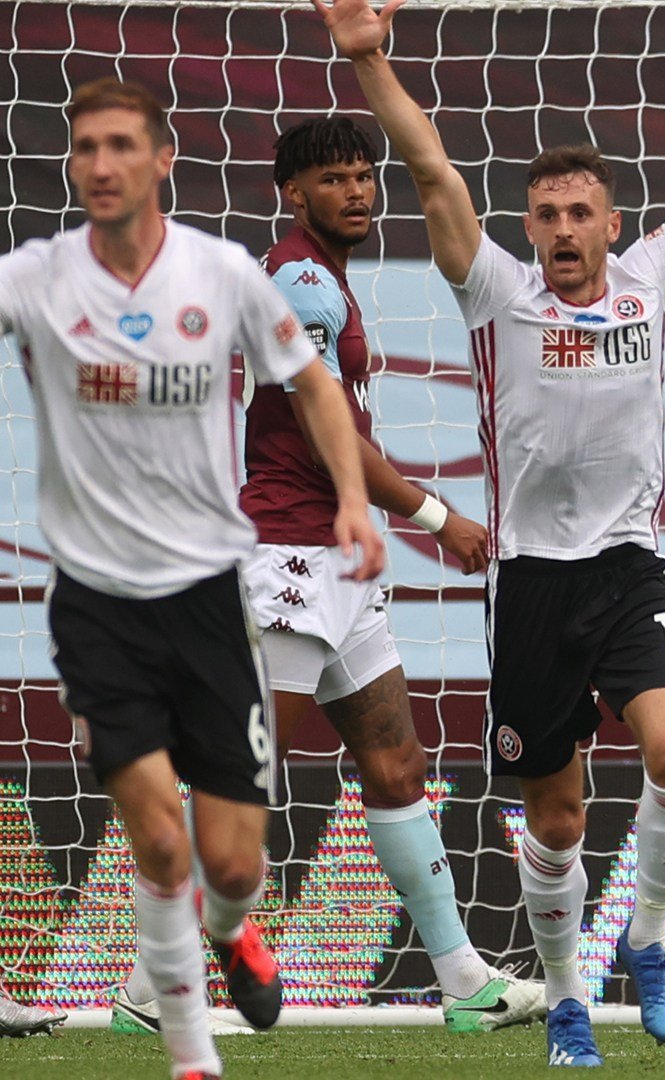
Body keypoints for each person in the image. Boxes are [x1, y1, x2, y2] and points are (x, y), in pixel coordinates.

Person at [310, 0, 665, 1062]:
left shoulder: (652, 279)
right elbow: (432, 175)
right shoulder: (496, 293)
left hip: (629, 571)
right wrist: (371, 61)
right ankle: (566, 997)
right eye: (545, 213)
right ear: (530, 228)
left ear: (612, 226)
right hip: (529, 587)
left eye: (578, 213)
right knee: (555, 823)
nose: (560, 229)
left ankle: (649, 941)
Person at [107, 116, 542, 1037]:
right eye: (335, 180)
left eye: (365, 176)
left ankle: (461, 976)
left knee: (394, 765)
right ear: (293, 194)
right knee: (241, 781)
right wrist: (433, 514)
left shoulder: (325, 280)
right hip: (289, 560)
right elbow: (323, 427)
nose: (358, 192)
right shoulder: (302, 279)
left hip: (334, 566)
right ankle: (156, 989)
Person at [0, 78, 384, 1078]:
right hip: (96, 607)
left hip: (214, 599)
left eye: (122, 145)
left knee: (229, 863)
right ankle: (190, 1057)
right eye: (85, 147)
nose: (101, 163)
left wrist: (352, 497)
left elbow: (311, 383)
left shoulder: (223, 276)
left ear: (163, 159)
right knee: (160, 847)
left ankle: (232, 926)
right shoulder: (39, 277)